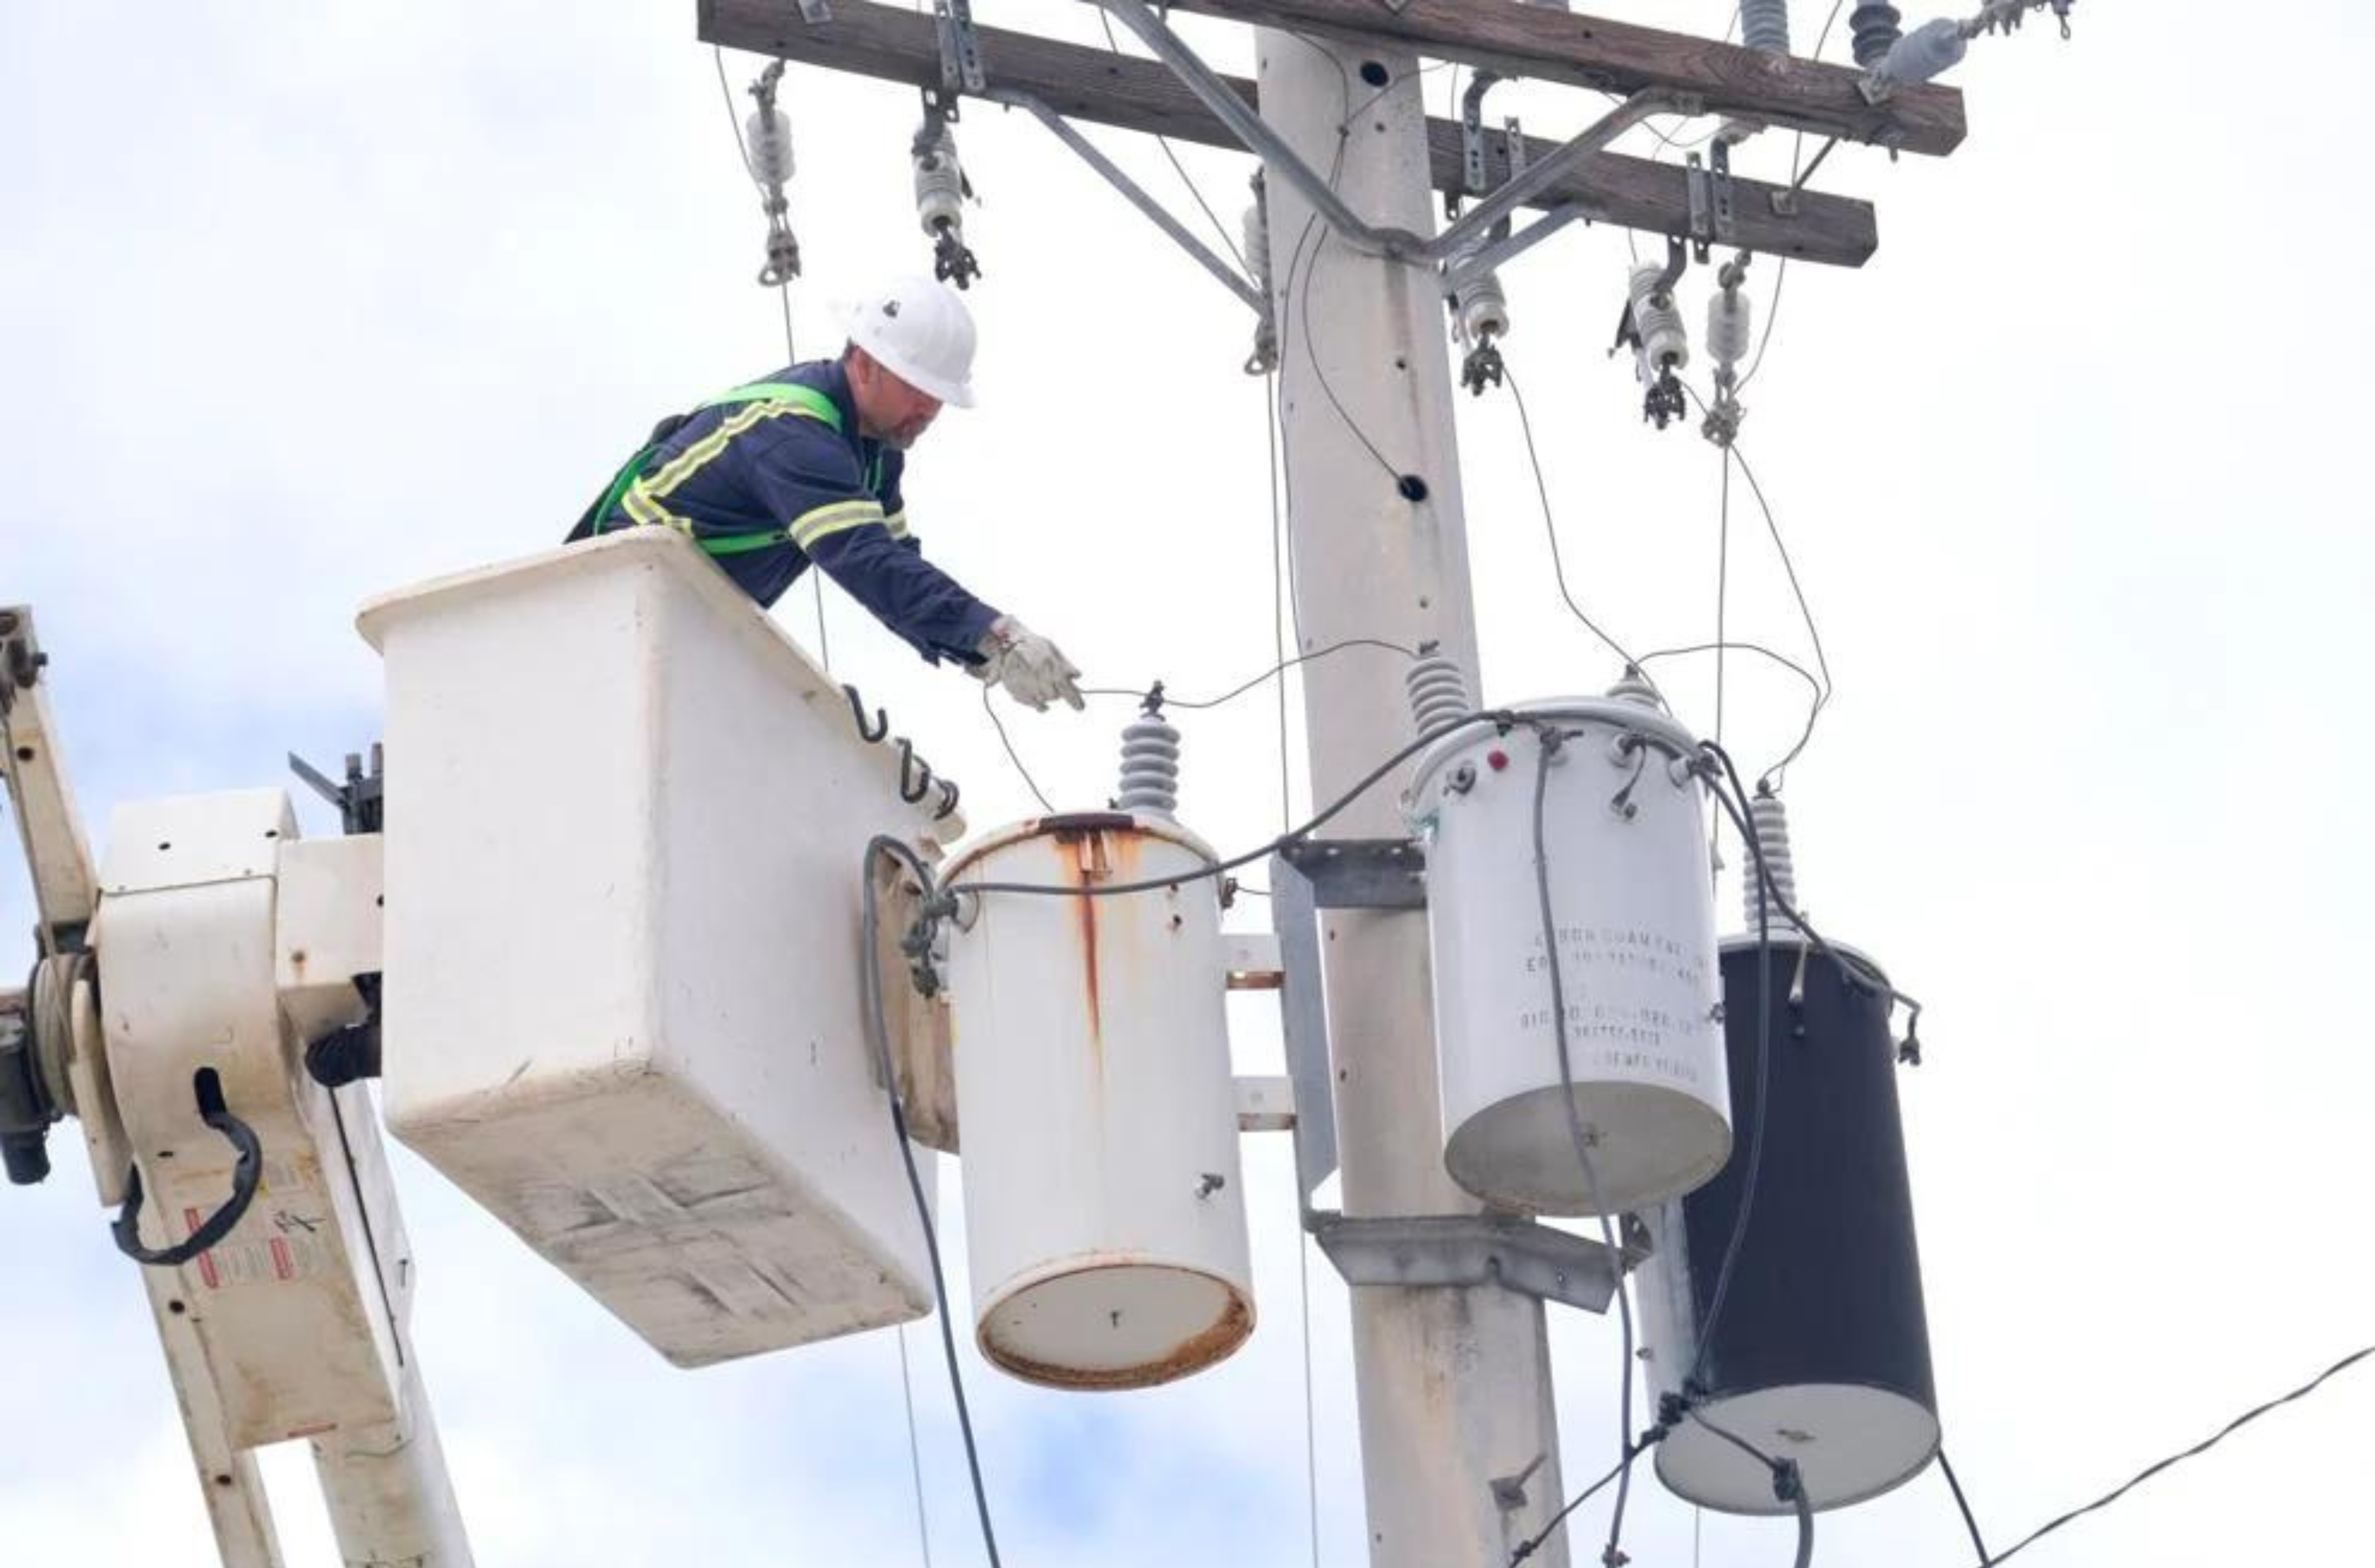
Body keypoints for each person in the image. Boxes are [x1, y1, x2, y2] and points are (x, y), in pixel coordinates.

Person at [568, 276, 1084, 711]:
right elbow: (865, 557)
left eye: (940, 397)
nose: (929, 410)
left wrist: (979, 651)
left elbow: (897, 560)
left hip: (681, 615)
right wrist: (993, 634)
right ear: (864, 364)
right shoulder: (792, 433)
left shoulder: (877, 452)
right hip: (610, 600)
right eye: (917, 388)